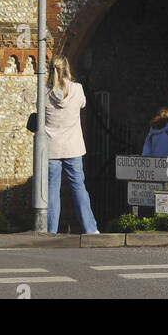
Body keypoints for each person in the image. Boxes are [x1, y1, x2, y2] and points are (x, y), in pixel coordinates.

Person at [44, 56, 99, 234]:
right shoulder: (77, 89)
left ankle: (51, 230)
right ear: (67, 69)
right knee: (78, 187)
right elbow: (83, 104)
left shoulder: (44, 92)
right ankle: (90, 229)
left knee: (52, 191)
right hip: (73, 147)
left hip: (51, 148)